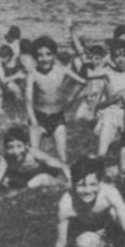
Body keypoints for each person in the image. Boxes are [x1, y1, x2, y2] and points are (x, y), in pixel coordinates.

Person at [54, 156, 125, 247]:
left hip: (111, 222)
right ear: (72, 184)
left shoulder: (109, 192)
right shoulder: (66, 204)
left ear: (100, 182)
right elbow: (61, 243)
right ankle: (111, 243)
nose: (87, 191)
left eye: (93, 184)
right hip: (90, 228)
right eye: (81, 185)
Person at [25, 35, 87, 163]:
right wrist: (34, 122)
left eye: (48, 54)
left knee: (62, 155)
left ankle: (66, 181)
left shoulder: (62, 70)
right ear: (35, 58)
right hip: (38, 117)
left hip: (58, 118)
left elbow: (84, 81)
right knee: (33, 154)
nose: (44, 59)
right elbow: (28, 102)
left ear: (54, 55)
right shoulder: (32, 74)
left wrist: (72, 99)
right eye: (40, 55)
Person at [0, 126, 70, 198]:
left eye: (19, 146)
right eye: (10, 147)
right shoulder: (5, 160)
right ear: (5, 148)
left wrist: (70, 181)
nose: (15, 151)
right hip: (26, 180)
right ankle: (21, 191)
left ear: (26, 145)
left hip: (50, 178)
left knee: (34, 182)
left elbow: (62, 165)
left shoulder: (33, 153)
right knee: (4, 183)